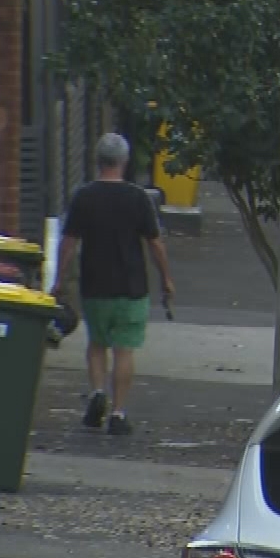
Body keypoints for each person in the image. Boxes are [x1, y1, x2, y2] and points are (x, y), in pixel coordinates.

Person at [51, 133, 173, 436]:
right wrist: (166, 279)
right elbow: (155, 244)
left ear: (97, 160)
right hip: (132, 287)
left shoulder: (84, 197)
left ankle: (97, 393)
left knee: (96, 345)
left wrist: (59, 280)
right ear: (124, 161)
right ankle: (118, 414)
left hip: (95, 286)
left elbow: (68, 243)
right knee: (124, 351)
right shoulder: (138, 198)